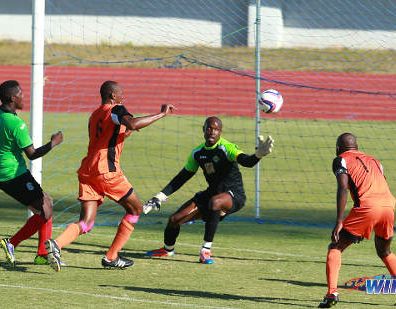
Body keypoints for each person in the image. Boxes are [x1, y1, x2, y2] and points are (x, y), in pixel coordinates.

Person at [45, 80, 175, 271]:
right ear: (113, 96)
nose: (123, 98)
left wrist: (129, 129)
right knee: (135, 210)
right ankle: (111, 257)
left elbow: (116, 133)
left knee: (86, 223)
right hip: (106, 171)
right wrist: (161, 114)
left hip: (87, 172)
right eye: (121, 94)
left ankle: (56, 244)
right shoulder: (116, 109)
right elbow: (132, 121)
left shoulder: (95, 115)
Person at [144, 116, 274, 264]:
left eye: (216, 129)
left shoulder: (227, 147)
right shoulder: (198, 153)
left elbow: (247, 161)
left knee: (216, 202)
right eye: (209, 128)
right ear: (204, 130)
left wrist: (257, 155)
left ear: (220, 132)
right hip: (212, 193)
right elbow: (182, 177)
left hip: (234, 195)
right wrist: (159, 196)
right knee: (174, 220)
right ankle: (167, 250)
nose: (212, 132)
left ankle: (205, 250)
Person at [0, 80, 63, 267]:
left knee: (46, 203)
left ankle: (42, 254)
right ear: (12, 98)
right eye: (21, 94)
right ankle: (11, 243)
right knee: (45, 210)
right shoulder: (16, 124)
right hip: (13, 174)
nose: (24, 97)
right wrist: (53, 143)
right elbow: (32, 154)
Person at [318, 133, 396, 308]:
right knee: (385, 251)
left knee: (336, 246)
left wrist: (339, 220)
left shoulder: (340, 159)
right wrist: (364, 225)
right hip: (389, 205)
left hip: (367, 207)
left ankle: (332, 293)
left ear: (338, 148)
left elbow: (343, 188)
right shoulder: (375, 161)